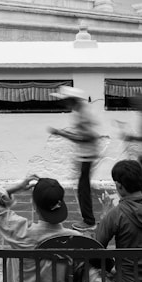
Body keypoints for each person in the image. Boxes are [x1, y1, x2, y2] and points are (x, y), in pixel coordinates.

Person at [48, 86, 100, 231]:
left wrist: (62, 134)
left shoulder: (84, 113)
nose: (64, 104)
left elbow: (88, 136)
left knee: (83, 190)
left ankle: (89, 221)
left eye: (65, 101)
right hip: (84, 155)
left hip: (87, 156)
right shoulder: (80, 111)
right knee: (83, 188)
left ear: (71, 100)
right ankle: (88, 218)